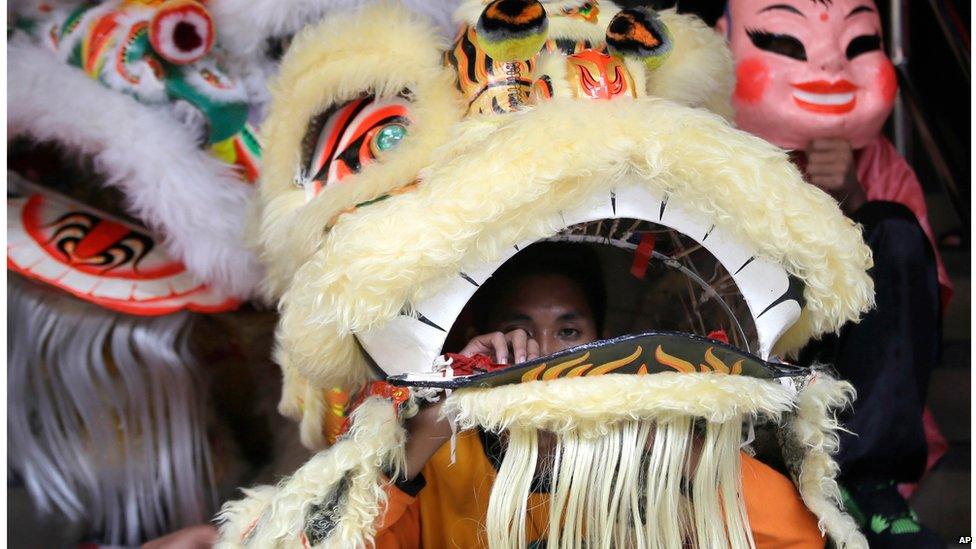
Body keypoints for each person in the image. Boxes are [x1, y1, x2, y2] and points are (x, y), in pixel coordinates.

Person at [374, 242, 826, 547]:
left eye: (569, 332)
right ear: (481, 336)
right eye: (519, 331)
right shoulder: (442, 456)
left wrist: (670, 443)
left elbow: (799, 539)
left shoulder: (644, 450)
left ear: (604, 340)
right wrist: (446, 410)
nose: (546, 353)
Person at [718, 1, 946, 546]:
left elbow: (920, 304)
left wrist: (853, 199)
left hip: (858, 394)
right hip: (759, 369)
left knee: (891, 225)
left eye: (856, 46)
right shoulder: (712, 152)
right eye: (786, 43)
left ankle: (870, 485)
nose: (827, 72)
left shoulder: (882, 162)